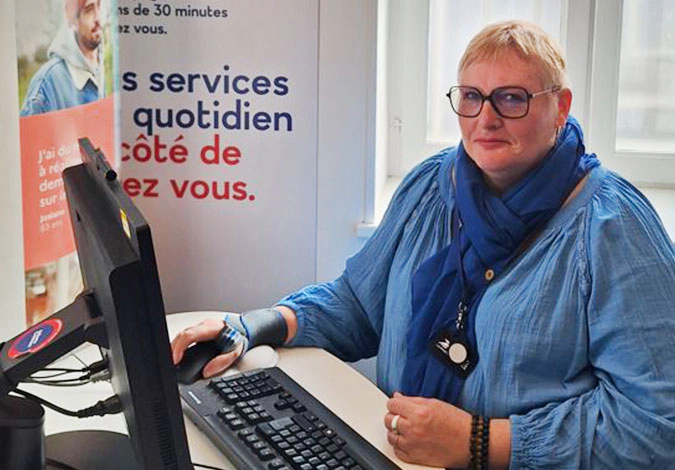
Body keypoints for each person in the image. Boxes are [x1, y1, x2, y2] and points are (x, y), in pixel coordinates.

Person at [171, 20, 675, 469]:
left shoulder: (613, 226)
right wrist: (255, 326)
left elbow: (656, 423)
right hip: (400, 454)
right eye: (472, 97)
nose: (486, 119)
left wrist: (482, 442)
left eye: (512, 98)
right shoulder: (432, 186)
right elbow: (359, 305)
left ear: (560, 106)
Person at [20, 0, 104, 116]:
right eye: (89, 10)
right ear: (73, 20)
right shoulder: (46, 86)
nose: (98, 18)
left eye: (99, 6)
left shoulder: (109, 70)